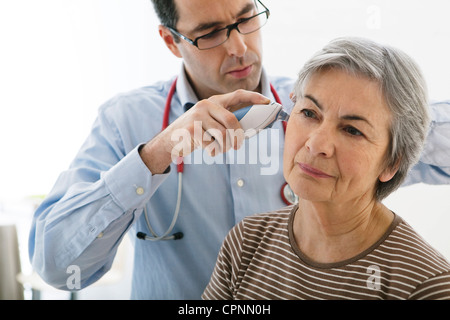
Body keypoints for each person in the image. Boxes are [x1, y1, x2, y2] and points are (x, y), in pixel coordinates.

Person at [28, 1, 449, 300]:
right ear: (171, 41)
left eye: (246, 18)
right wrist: (156, 154)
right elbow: (59, 265)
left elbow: (401, 136)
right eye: (209, 33)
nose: (238, 48)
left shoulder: (307, 105)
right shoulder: (126, 121)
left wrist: (363, 121)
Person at [202, 37, 450, 300]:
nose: (316, 144)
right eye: (309, 113)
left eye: (352, 130)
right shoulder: (246, 242)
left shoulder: (427, 286)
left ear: (392, 163)